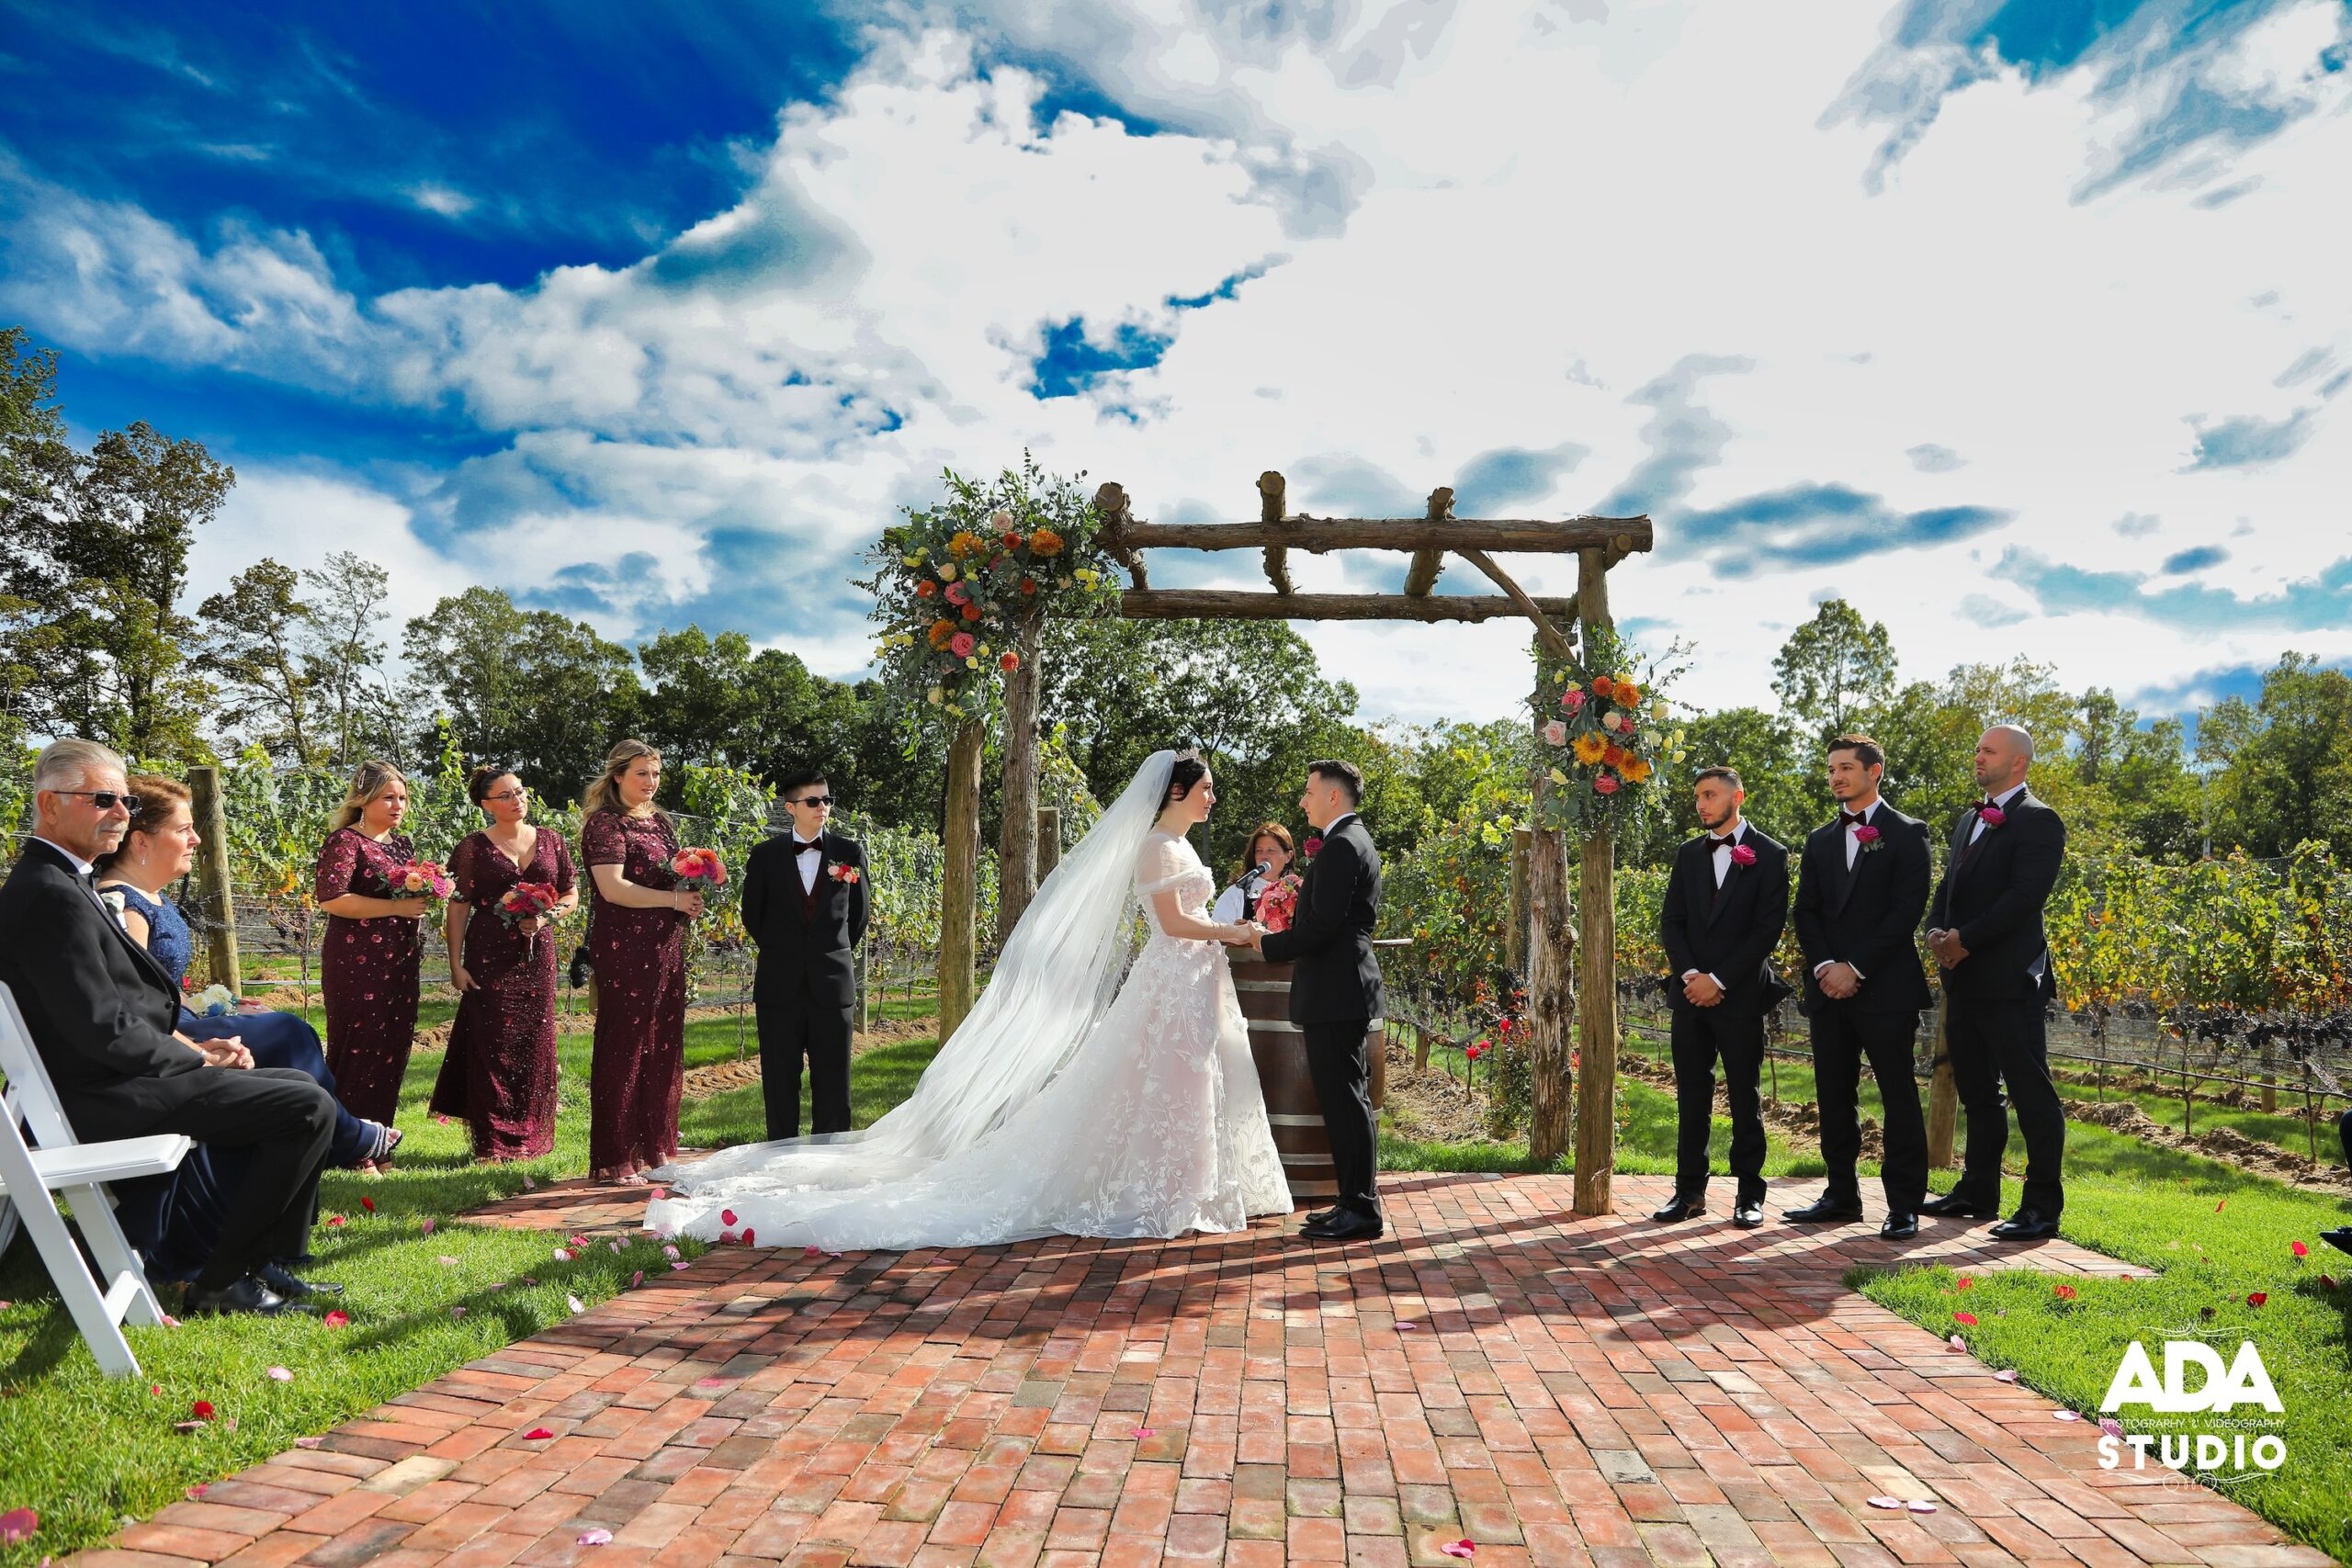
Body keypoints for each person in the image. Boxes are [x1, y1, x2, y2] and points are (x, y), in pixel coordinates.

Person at [647, 750, 1287, 1249]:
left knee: (1183, 1082)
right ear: (1177, 790)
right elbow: (1173, 923)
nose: (1213, 796)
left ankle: (1187, 1185)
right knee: (1162, 1080)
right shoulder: (1155, 845)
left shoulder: (1183, 846)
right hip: (1173, 973)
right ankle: (1165, 1190)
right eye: (1206, 787)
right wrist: (1233, 930)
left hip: (1194, 979)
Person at [0, 739, 336, 1315]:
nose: (121, 811)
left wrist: (191, 1042)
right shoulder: (48, 892)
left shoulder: (63, 879)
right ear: (49, 805)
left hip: (111, 1078)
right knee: (306, 1109)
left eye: (124, 799)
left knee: (305, 1091)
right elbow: (103, 1030)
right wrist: (197, 1060)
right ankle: (221, 1281)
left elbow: (116, 1011)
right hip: (98, 1095)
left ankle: (257, 1262)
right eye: (102, 798)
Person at [93, 777, 392, 1280]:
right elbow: (136, 1009)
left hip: (181, 1023)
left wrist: (220, 1007)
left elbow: (159, 992)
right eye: (184, 829)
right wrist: (201, 1046)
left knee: (287, 1034)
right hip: (157, 1053)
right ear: (141, 841)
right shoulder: (123, 906)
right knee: (292, 1038)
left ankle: (325, 1162)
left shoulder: (152, 896)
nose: (195, 840)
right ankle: (346, 1140)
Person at [1924, 725, 2068, 1241]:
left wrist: (1966, 939)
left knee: (2032, 1093)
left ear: (2019, 764)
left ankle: (2042, 1205)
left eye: (1989, 751)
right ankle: (1978, 1189)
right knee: (1978, 1092)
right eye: (1978, 749)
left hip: (2009, 981)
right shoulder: (1969, 820)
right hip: (1963, 980)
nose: (1978, 756)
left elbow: (2025, 897)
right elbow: (1949, 887)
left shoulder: (2039, 820)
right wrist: (1936, 932)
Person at [1789, 737, 1933, 1239]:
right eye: (1831, 769)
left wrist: (1857, 966)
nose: (1835, 777)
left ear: (1876, 771)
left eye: (1846, 768)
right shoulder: (1820, 840)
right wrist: (1828, 965)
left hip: (1886, 988)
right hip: (1828, 988)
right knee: (1833, 1094)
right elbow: (1805, 910)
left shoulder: (1909, 833)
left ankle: (1904, 1204)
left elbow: (1905, 912)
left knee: (1898, 1095)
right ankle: (1841, 1195)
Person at [1250, 761, 1385, 1243]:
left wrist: (1264, 943)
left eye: (1309, 792)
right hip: (1341, 987)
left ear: (1333, 797)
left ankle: (1363, 1209)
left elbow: (1321, 929)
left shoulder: (1342, 847)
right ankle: (1352, 1201)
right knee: (1346, 1099)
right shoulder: (1350, 842)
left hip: (1337, 989)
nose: (1303, 800)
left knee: (1347, 1101)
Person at [1654, 767, 1791, 1229]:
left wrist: (1720, 979)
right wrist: (1693, 975)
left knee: (1744, 1096)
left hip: (1740, 996)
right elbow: (1672, 921)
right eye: (1697, 796)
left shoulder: (1771, 855)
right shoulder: (1689, 854)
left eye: (1710, 795)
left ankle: (1749, 1194)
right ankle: (1689, 1191)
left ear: (1739, 796)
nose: (1701, 804)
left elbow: (1766, 929)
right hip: (1689, 994)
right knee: (1691, 1097)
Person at [428, 767, 578, 1161]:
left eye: (520, 791)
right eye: (506, 795)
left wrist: (547, 917)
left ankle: (529, 1134)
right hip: (487, 952)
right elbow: (457, 907)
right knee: (491, 1043)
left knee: (535, 1039)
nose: (518, 800)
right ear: (485, 805)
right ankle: (492, 1141)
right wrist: (456, 964)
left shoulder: (551, 841)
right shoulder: (473, 848)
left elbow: (571, 893)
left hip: (537, 953)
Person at [582, 739, 701, 1184]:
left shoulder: (661, 822)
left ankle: (656, 1145)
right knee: (625, 1045)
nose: (651, 783)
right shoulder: (605, 824)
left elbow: (670, 873)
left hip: (664, 944)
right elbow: (613, 888)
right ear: (617, 776)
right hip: (624, 947)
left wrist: (691, 888)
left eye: (655, 774)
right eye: (641, 774)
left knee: (663, 1043)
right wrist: (674, 897)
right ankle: (616, 1156)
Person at [742, 767, 869, 1140]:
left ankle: (830, 1159)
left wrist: (829, 953)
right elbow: (753, 915)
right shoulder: (764, 856)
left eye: (827, 800)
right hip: (779, 986)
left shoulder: (849, 853)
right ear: (790, 807)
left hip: (833, 984)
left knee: (834, 1080)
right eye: (813, 801)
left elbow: (858, 917)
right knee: (780, 1080)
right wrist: (786, 952)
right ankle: (780, 1156)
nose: (822, 807)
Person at [314, 760, 429, 1156]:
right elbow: (332, 898)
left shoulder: (401, 845)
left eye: (403, 798)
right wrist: (395, 909)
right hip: (356, 960)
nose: (398, 805)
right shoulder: (346, 842)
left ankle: (380, 1143)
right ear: (364, 799)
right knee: (358, 1047)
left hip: (399, 958)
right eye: (388, 797)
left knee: (391, 1048)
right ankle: (348, 1146)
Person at [1237, 821, 1302, 929]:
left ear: (1288, 856)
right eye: (1259, 851)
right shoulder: (1238, 891)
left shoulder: (1298, 890)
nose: (1264, 856)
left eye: (1271, 850)